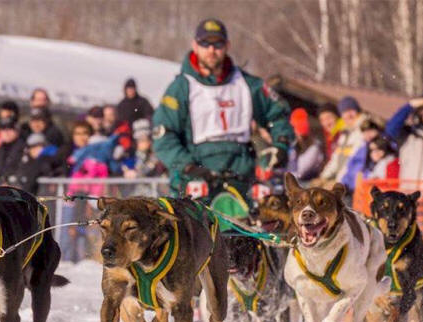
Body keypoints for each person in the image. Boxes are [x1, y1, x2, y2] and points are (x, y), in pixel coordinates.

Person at [152, 18, 293, 200]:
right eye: (205, 44)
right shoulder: (181, 88)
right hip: (196, 178)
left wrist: (280, 145)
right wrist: (188, 167)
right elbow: (163, 136)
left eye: (217, 44)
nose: (212, 50)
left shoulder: (248, 85)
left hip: (243, 177)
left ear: (227, 45)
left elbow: (279, 114)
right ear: (195, 45)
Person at [385, 94, 423, 182]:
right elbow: (390, 129)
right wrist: (410, 105)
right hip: (407, 192)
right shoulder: (407, 134)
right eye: (422, 108)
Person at [317, 96, 366, 188]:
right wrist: (323, 177)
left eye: (351, 110)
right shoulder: (345, 133)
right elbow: (336, 159)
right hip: (342, 181)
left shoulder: (362, 132)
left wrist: (338, 182)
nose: (348, 115)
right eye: (344, 112)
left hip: (352, 185)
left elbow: (352, 161)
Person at [287, 107, 323, 182]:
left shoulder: (314, 147)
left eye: (296, 129)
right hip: (296, 181)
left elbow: (299, 173)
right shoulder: (294, 144)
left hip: (307, 184)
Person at [0, 117, 25, 184]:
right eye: (3, 129)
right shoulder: (1, 149)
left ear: (17, 131)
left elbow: (22, 170)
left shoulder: (23, 147)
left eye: (10, 129)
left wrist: (7, 180)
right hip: (2, 185)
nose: (6, 132)